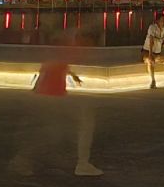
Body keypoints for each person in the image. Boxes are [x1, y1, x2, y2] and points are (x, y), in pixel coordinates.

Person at [8, 36, 101, 177]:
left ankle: (22, 160)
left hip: (50, 96)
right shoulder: (66, 52)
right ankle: (82, 164)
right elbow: (50, 69)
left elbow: (53, 69)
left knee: (55, 132)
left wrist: (72, 76)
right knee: (82, 121)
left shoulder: (60, 53)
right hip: (51, 97)